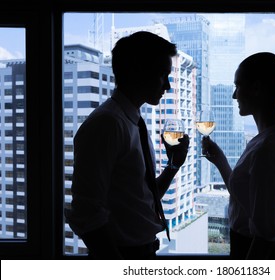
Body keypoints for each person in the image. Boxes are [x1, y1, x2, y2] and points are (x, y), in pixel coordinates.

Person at [65, 31, 189, 259]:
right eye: (163, 75)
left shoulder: (133, 121)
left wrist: (173, 166)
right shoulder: (107, 124)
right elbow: (86, 212)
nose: (168, 86)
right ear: (139, 71)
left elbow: (142, 199)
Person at [202, 52, 275, 259]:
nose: (234, 95)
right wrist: (221, 161)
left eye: (237, 86)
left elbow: (265, 235)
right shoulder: (265, 141)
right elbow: (247, 201)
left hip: (252, 250)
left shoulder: (266, 148)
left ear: (256, 88)